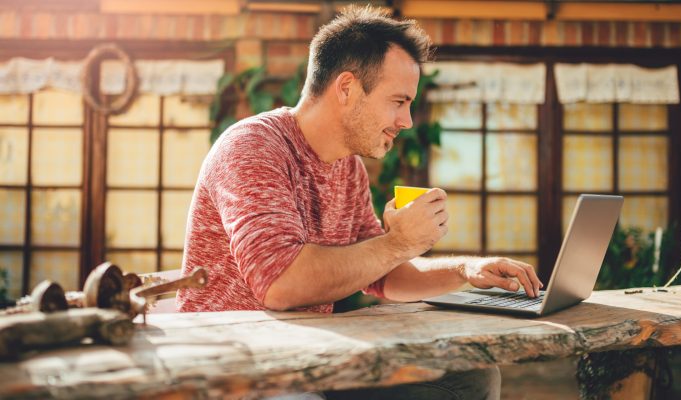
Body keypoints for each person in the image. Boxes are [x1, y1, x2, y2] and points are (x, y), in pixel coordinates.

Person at [176, 6, 542, 400]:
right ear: (347, 88)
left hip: (305, 359)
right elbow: (280, 286)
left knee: (470, 379)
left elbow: (382, 274)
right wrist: (398, 242)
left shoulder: (346, 167)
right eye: (398, 101)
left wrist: (466, 269)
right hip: (233, 370)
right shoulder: (252, 147)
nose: (407, 121)